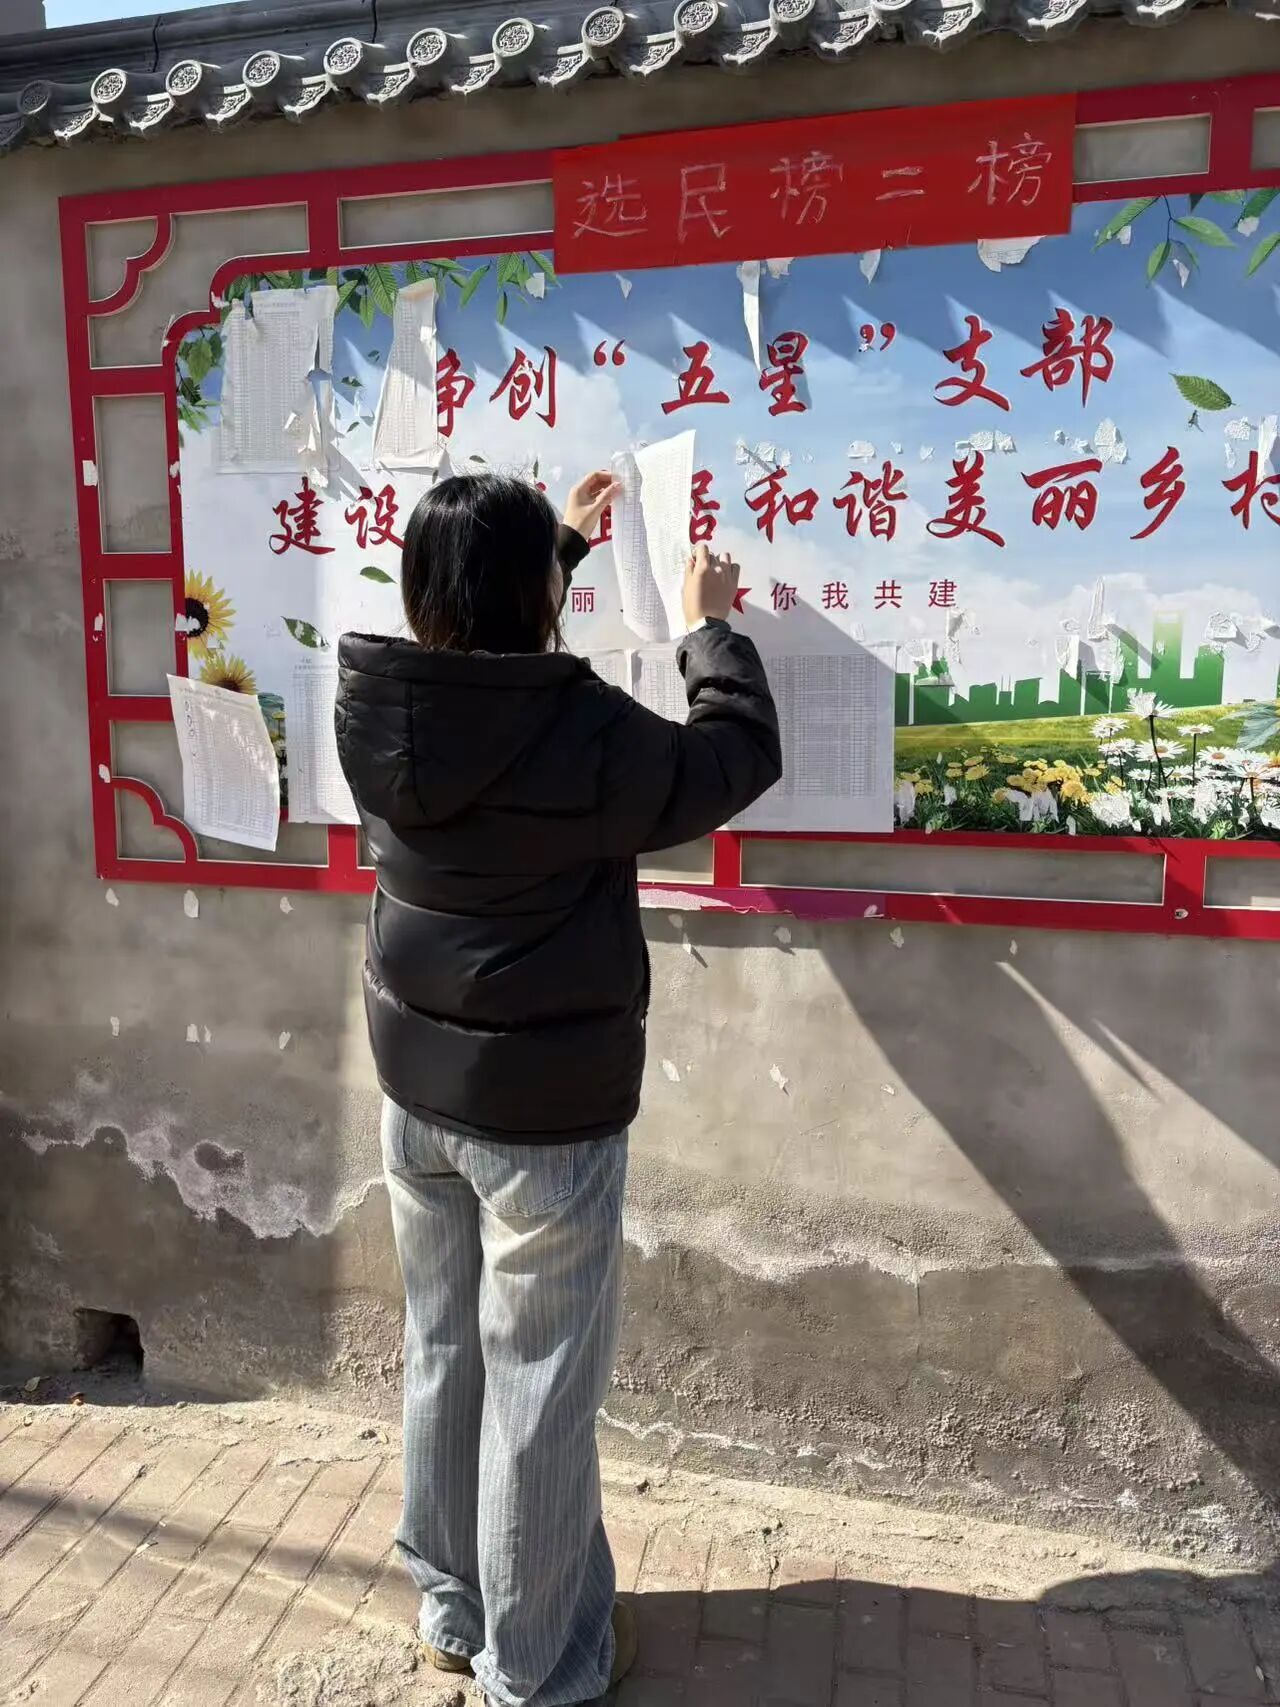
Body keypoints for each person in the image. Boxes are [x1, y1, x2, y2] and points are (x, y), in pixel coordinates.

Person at [335, 469, 781, 1707]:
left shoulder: (377, 702)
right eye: (545, 575)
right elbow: (729, 760)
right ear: (528, 595)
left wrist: (562, 549)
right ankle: (535, 1669)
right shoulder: (576, 728)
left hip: (416, 1090)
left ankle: (453, 1609)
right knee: (536, 1385)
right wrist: (707, 627)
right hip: (541, 1112)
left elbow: (484, 682)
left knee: (444, 1349)